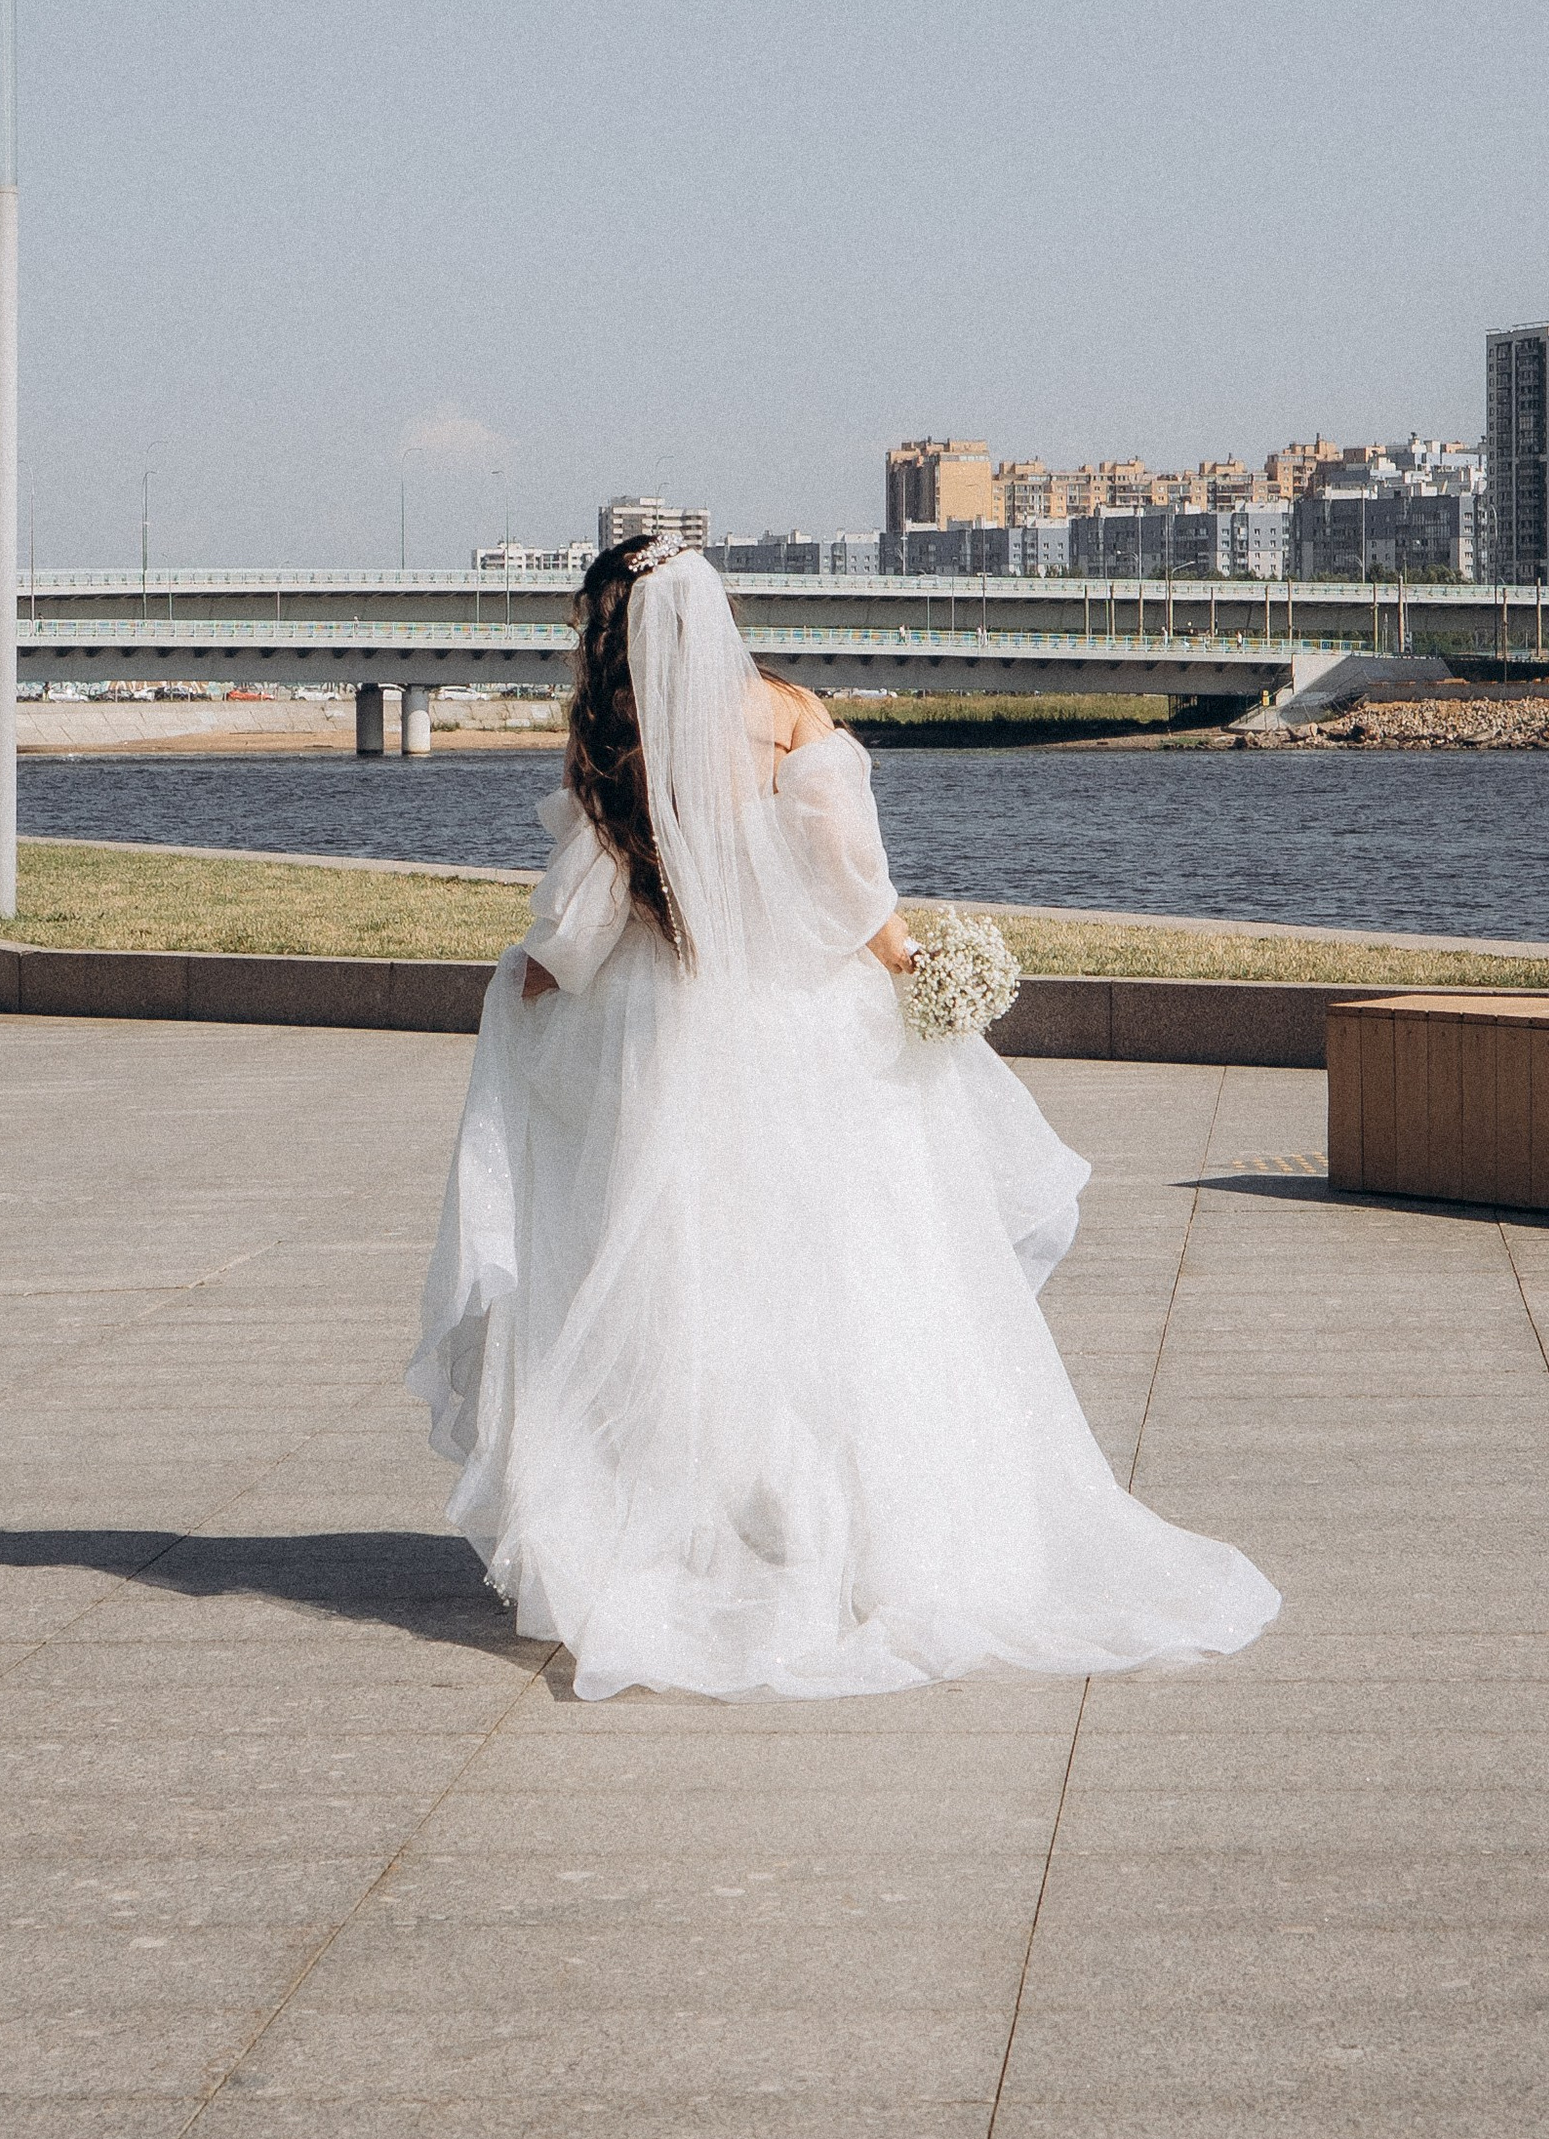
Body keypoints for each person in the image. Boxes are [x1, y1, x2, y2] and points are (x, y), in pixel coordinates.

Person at [405, 533, 1279, 1700]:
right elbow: (846, 877)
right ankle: (868, 1539)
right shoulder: (789, 716)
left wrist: (542, 972)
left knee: (687, 1277)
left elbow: (586, 906)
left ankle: (699, 1529)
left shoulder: (619, 738)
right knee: (850, 1273)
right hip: (805, 1025)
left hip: (666, 1029)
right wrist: (910, 964)